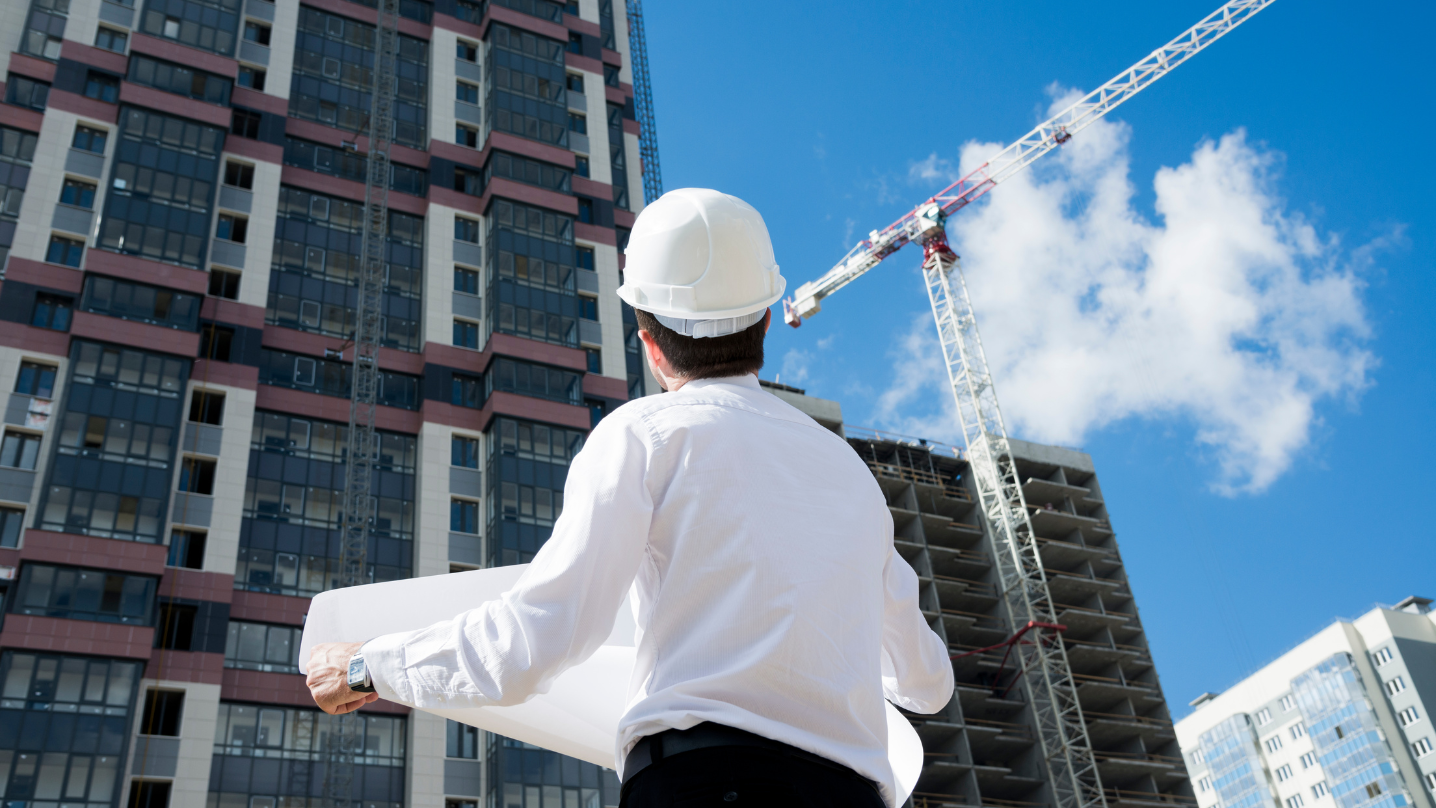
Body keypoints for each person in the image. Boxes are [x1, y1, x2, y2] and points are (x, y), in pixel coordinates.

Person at [306, 188, 954, 808]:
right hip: (851, 796)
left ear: (647, 340)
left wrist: (370, 666)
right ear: (764, 318)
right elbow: (926, 685)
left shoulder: (645, 436)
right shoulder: (847, 473)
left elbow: (538, 639)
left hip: (702, 787)